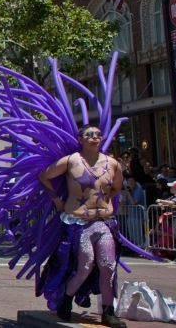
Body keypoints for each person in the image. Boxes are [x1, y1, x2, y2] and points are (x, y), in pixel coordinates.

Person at [38, 126, 126, 327]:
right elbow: (44, 176)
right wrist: (57, 201)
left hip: (103, 223)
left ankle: (108, 311)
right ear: (80, 139)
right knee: (85, 264)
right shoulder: (71, 161)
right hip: (78, 225)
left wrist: (103, 204)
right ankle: (66, 301)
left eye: (98, 135)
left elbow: (116, 188)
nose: (94, 138)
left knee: (108, 265)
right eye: (89, 135)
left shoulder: (112, 164)